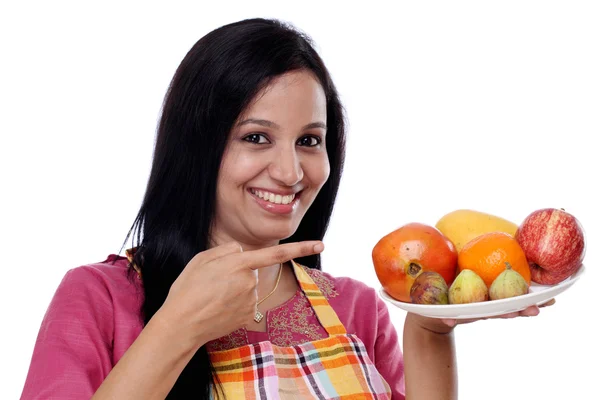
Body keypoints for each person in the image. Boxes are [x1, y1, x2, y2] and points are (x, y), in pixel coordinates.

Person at [20, 18, 549, 400]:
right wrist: (177, 329)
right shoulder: (99, 299)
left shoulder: (356, 310)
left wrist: (432, 329)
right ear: (196, 146)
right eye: (256, 137)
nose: (291, 173)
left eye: (309, 141)